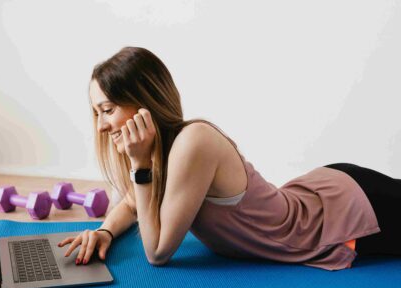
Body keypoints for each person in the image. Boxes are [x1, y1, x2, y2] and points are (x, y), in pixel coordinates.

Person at [58, 46, 401, 271]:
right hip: (320, 196)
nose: (101, 125)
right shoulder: (161, 152)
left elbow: (158, 252)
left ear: (142, 101)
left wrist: (139, 165)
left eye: (108, 110)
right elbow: (133, 205)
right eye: (96, 112)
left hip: (343, 215)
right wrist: (104, 231)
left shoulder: (194, 141)